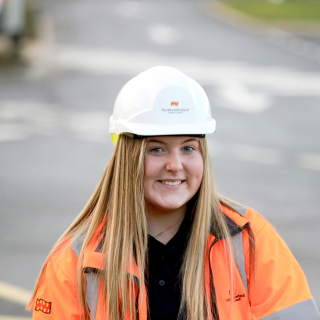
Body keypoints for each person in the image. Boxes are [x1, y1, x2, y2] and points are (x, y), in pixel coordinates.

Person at [28, 66, 319, 320]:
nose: (175, 165)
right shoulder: (75, 260)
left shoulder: (250, 240)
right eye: (157, 149)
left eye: (188, 148)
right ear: (128, 157)